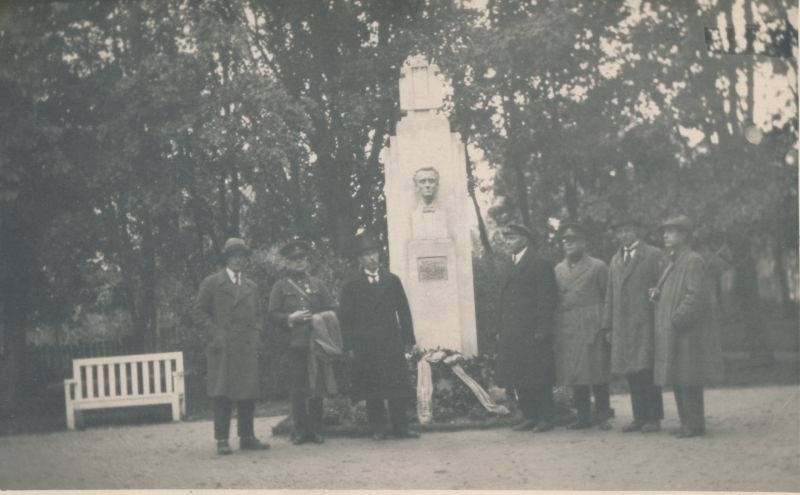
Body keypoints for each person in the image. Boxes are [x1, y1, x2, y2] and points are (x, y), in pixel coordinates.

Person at [191, 237, 270, 455]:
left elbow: (259, 316)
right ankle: (222, 439)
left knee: (248, 392)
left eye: (242, 256)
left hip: (246, 345)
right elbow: (198, 312)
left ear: (246, 260)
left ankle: (247, 437)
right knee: (222, 393)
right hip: (223, 346)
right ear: (226, 259)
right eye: (233, 256)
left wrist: (256, 335)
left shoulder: (251, 286)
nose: (238, 260)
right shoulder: (212, 283)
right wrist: (215, 333)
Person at [338, 231, 420, 440]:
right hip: (366, 344)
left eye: (375, 253)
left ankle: (401, 427)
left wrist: (408, 340)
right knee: (372, 385)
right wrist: (349, 346)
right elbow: (345, 319)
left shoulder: (392, 280)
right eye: (367, 254)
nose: (372, 258)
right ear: (360, 259)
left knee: (396, 386)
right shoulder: (352, 284)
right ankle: (378, 428)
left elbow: (404, 311)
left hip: (391, 341)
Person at [651, 215, 723, 438]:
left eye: (671, 231)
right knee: (678, 376)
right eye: (665, 231)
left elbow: (697, 296)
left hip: (686, 332)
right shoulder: (672, 260)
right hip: (675, 331)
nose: (665, 235)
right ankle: (686, 423)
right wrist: (657, 295)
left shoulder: (692, 260)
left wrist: (676, 319)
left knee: (688, 377)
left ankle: (694, 425)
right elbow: (675, 292)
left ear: (684, 235)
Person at [268, 239, 335, 445]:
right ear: (287, 263)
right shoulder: (280, 287)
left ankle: (316, 430)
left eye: (302, 258)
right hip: (294, 343)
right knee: (297, 386)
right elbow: (272, 315)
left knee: (316, 386)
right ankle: (299, 430)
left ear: (307, 261)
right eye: (294, 259)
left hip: (316, 342)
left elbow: (331, 309)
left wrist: (319, 319)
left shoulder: (318, 284)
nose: (299, 262)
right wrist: (291, 318)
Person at [602, 218, 664, 433]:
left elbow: (662, 287)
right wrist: (608, 325)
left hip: (645, 322)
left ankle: (653, 418)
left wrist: (659, 316)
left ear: (638, 231)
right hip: (622, 324)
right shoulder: (615, 259)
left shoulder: (653, 255)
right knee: (631, 372)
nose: (624, 235)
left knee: (647, 370)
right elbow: (610, 294)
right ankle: (639, 416)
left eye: (628, 230)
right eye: (620, 231)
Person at [495, 223, 558, 433]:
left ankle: (545, 418)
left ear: (525, 239)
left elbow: (546, 299)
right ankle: (529, 415)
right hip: (514, 331)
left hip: (533, 331)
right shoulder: (510, 264)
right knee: (520, 375)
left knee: (538, 375)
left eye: (511, 237)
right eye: (506, 237)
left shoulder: (539, 264)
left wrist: (542, 328)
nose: (507, 241)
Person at [554, 222, 613, 430]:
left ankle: (604, 415)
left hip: (592, 324)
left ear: (584, 243)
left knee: (597, 371)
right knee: (576, 372)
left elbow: (608, 297)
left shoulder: (598, 266)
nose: (568, 244)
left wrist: (607, 326)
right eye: (565, 241)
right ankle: (583, 416)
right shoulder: (558, 269)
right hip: (569, 325)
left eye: (573, 240)